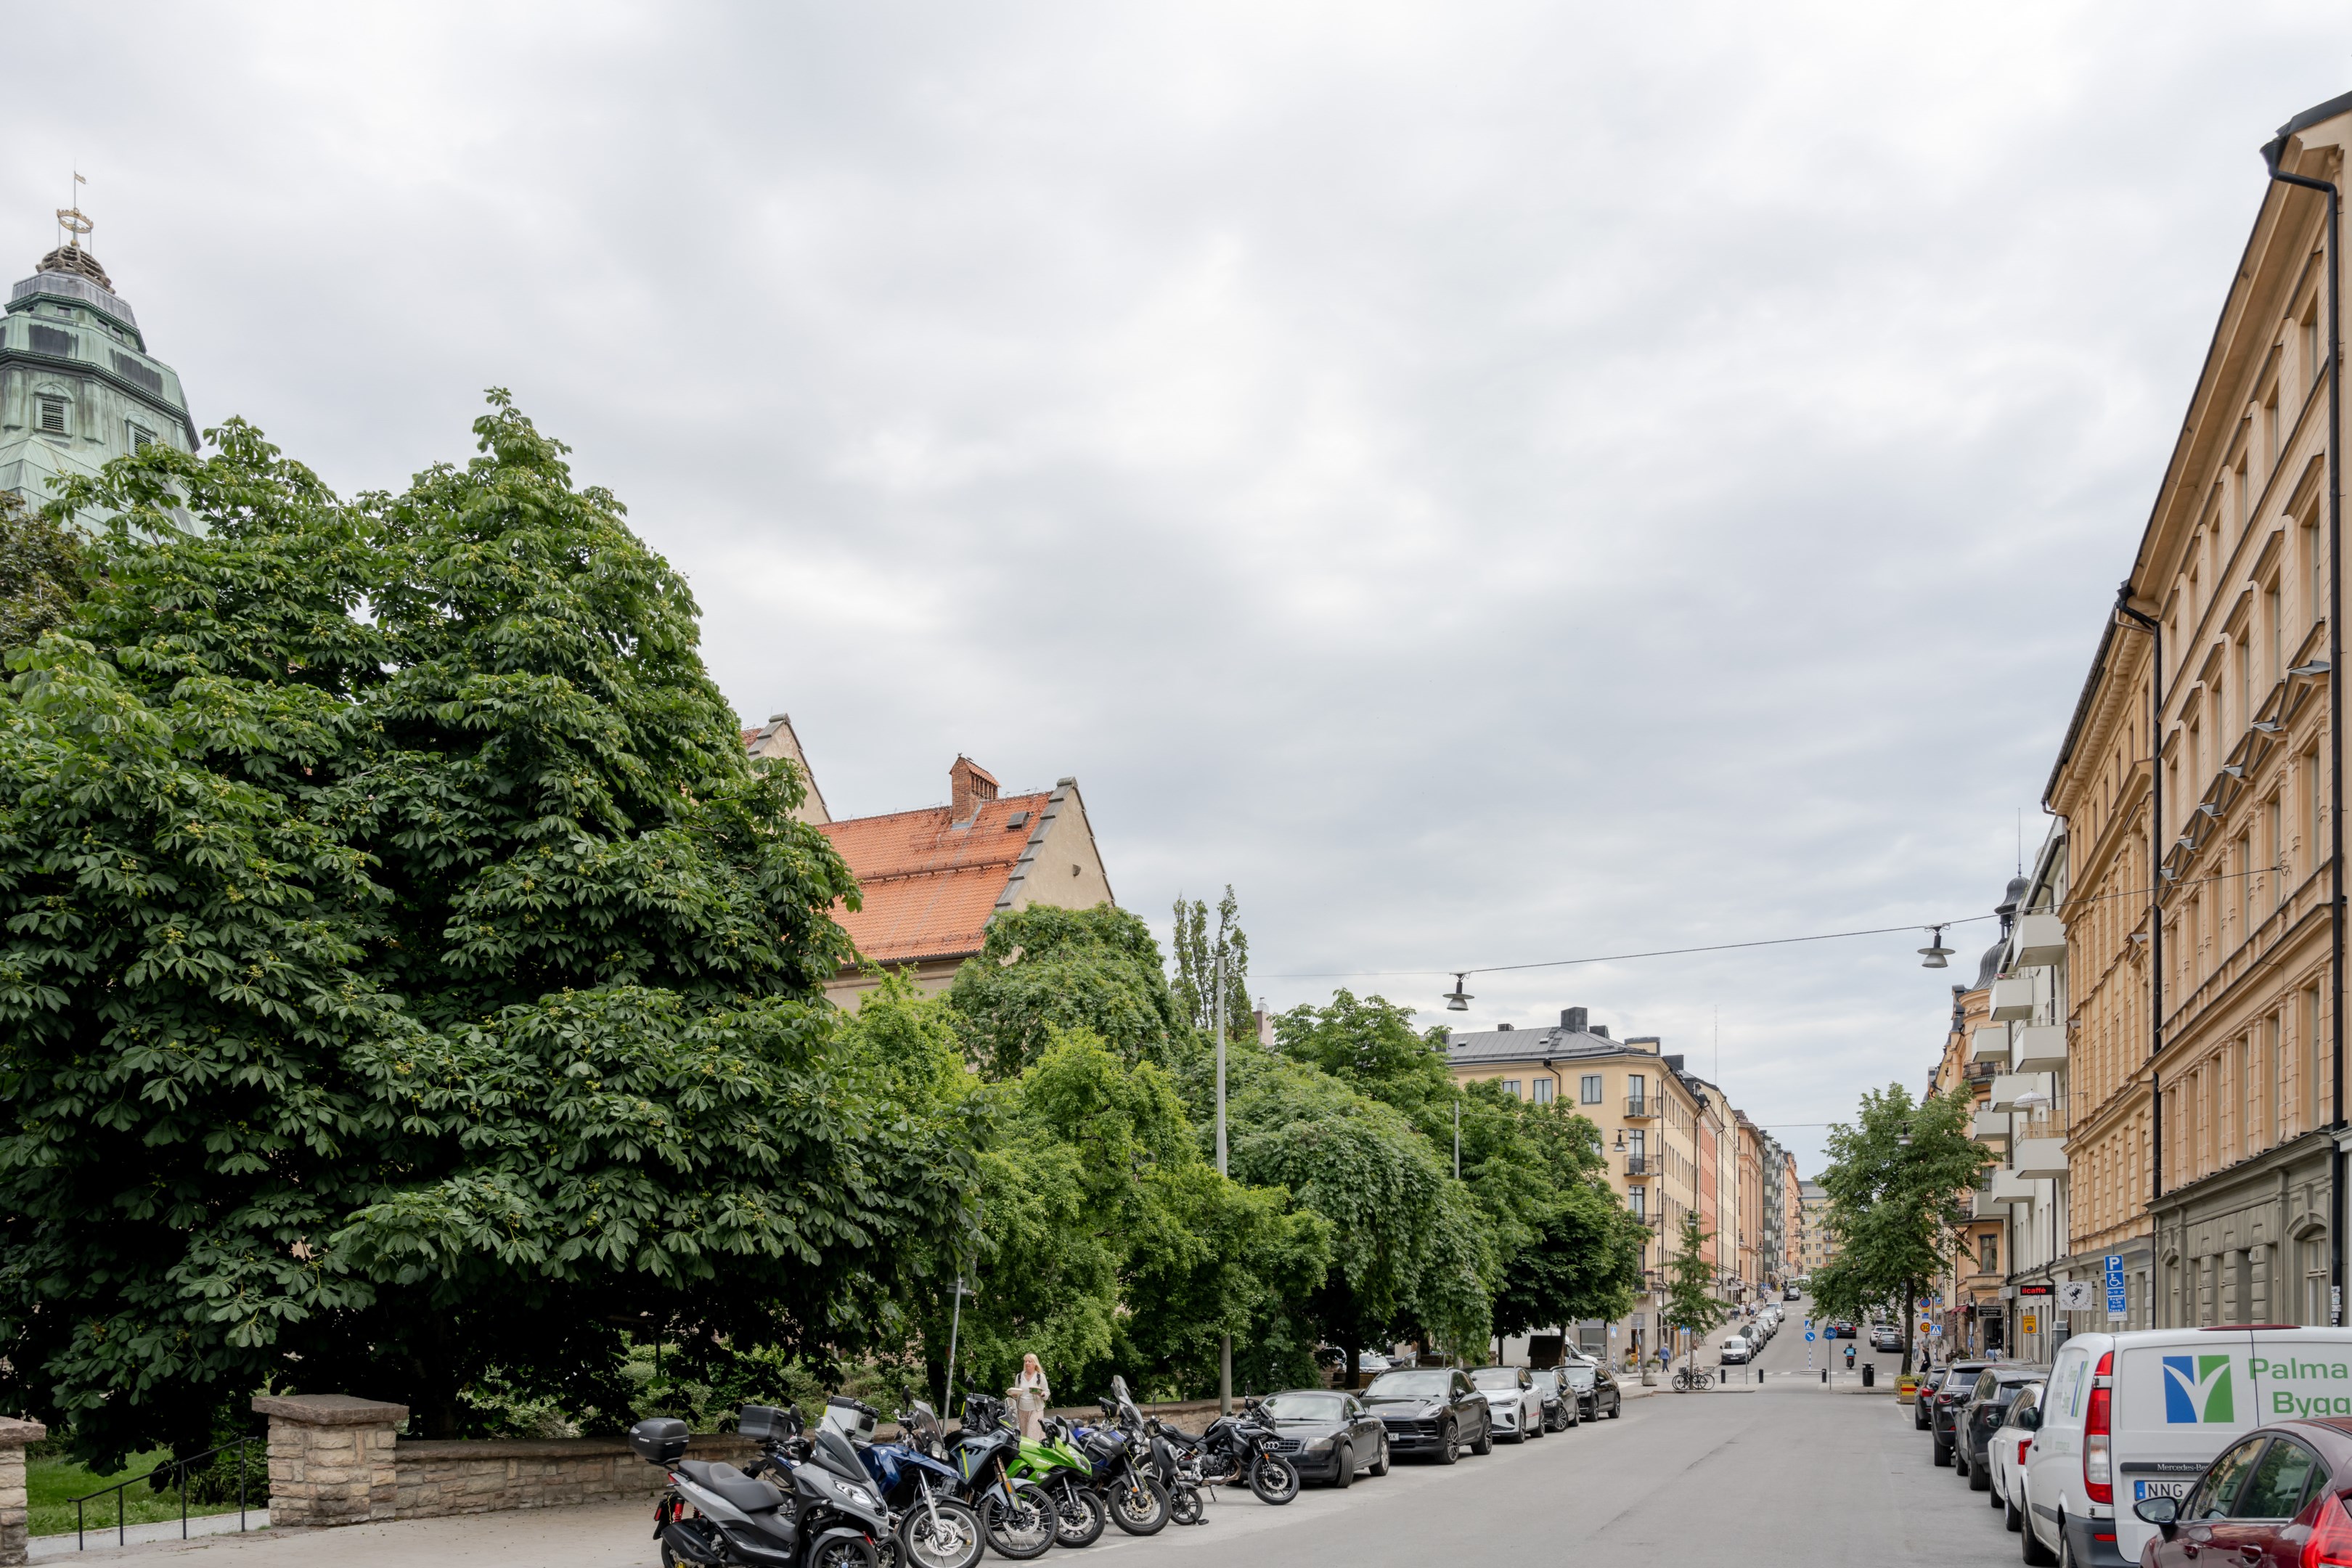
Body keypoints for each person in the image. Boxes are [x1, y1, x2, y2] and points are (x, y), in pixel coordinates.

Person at [1010, 1353, 1050, 1439]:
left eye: (1030, 1361)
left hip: (1036, 1410)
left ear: (1035, 1363)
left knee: (1032, 1436)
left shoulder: (1040, 1377)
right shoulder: (1019, 1376)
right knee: (1024, 1437)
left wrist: (1042, 1394)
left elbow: (1047, 1393)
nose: (1027, 1363)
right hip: (1022, 1410)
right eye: (1026, 1361)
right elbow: (1017, 1393)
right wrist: (1014, 1395)